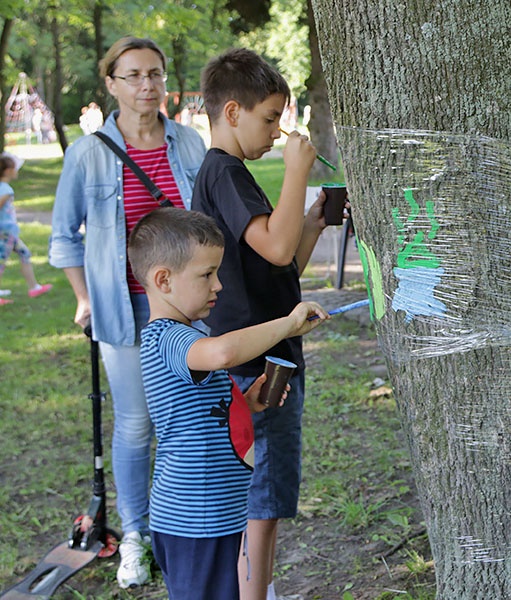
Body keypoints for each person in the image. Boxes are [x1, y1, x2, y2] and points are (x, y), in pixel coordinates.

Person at [48, 36, 207, 589]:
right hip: (123, 310)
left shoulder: (188, 143)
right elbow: (64, 237)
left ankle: (178, 526)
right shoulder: (88, 153)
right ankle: (137, 534)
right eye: (134, 75)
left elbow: (208, 221)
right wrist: (83, 297)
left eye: (156, 74)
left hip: (189, 311)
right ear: (112, 84)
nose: (147, 86)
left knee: (185, 422)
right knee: (137, 426)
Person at [128, 207, 328, 599]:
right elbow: (222, 355)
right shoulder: (166, 338)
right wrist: (287, 324)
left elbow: (199, 410)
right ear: (163, 280)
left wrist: (248, 403)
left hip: (215, 515)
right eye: (207, 274)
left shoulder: (188, 336)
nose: (218, 285)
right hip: (193, 520)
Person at [192, 48, 333, 600]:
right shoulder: (225, 171)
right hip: (260, 366)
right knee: (264, 498)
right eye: (270, 118)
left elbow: (282, 265)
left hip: (264, 353)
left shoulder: (229, 175)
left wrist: (314, 223)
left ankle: (259, 589)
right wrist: (297, 171)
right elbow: (276, 248)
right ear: (232, 112)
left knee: (266, 496)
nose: (278, 132)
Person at [0, 153, 52, 303]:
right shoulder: (6, 190)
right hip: (6, 231)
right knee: (1, 261)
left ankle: (34, 287)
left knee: (25, 254)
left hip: (9, 231)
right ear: (8, 170)